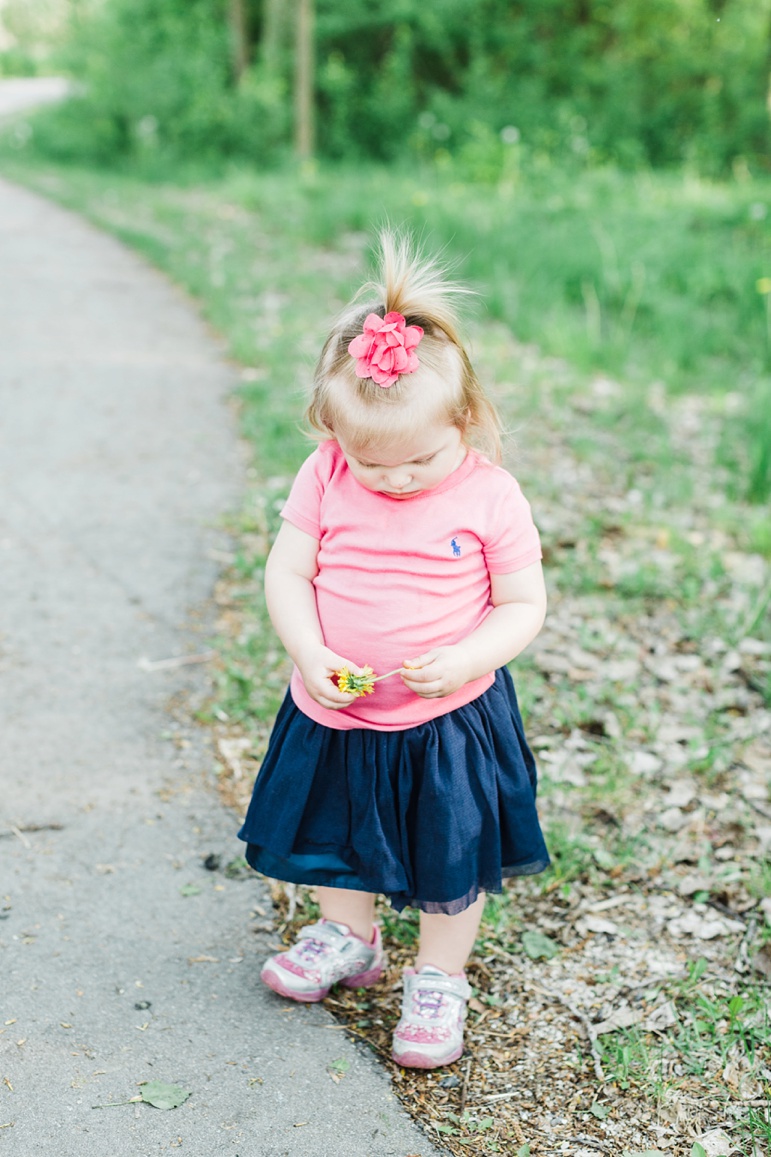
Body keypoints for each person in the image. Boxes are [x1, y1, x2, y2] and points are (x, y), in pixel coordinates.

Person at [238, 231, 550, 1069]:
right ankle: (349, 932)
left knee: (450, 846)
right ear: (333, 433)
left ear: (466, 421)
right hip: (337, 704)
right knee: (335, 829)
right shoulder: (325, 473)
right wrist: (306, 649)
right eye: (373, 462)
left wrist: (465, 656)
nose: (398, 478)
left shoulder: (488, 495)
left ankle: (438, 973)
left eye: (421, 458)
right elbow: (288, 570)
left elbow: (523, 604)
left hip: (445, 714)